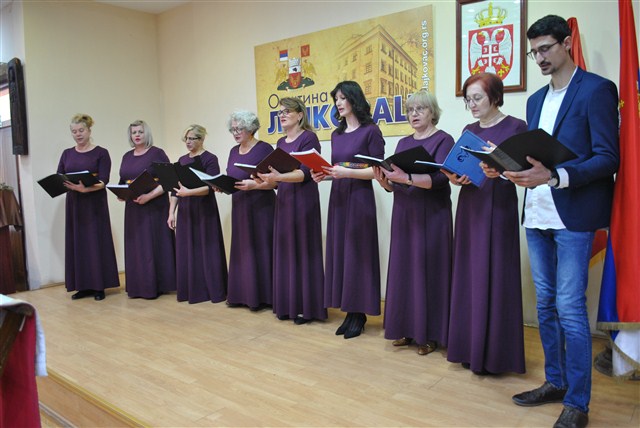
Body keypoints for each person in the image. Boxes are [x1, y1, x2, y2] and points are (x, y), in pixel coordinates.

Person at [506, 16, 619, 428]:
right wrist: (507, 168)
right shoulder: (535, 100)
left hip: (574, 214)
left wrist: (557, 177)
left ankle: (577, 403)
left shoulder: (597, 90)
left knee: (570, 308)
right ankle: (555, 382)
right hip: (536, 212)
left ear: (567, 43)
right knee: (546, 304)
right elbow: (536, 157)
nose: (539, 58)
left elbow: (608, 157)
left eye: (545, 49)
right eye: (533, 51)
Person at [444, 73, 527, 375]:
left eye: (477, 98)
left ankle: (495, 355)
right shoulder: (469, 130)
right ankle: (469, 347)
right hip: (471, 205)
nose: (472, 105)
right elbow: (458, 167)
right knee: (469, 274)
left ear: (495, 96)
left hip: (499, 206)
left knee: (497, 274)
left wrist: (500, 167)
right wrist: (455, 177)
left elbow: (525, 172)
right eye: (468, 100)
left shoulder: (516, 126)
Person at [373, 90, 453, 355]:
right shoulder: (403, 143)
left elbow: (441, 179)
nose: (414, 114)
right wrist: (385, 182)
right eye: (410, 110)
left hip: (432, 215)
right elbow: (396, 183)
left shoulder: (444, 140)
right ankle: (407, 329)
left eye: (420, 109)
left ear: (432, 112)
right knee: (405, 271)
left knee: (430, 272)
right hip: (405, 213)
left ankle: (430, 335)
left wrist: (406, 178)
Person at [312, 80, 385, 339]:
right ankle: (349, 311)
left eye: (342, 98)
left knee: (358, 253)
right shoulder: (337, 134)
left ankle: (360, 313)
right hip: (339, 198)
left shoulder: (370, 131)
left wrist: (345, 172)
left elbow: (378, 171)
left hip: (360, 199)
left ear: (354, 99)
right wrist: (325, 176)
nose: (339, 103)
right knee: (341, 253)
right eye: (336, 99)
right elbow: (338, 168)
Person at [258, 97, 326, 324]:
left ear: (300, 115)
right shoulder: (280, 142)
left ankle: (307, 308)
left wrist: (278, 177)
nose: (282, 115)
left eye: (287, 111)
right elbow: (278, 178)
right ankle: (288, 305)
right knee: (286, 252)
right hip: (285, 201)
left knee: (304, 251)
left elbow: (305, 173)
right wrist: (266, 180)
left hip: (304, 201)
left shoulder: (308, 138)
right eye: (280, 112)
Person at [57, 113, 119, 300]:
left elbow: (103, 181)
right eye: (74, 131)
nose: (78, 134)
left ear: (89, 130)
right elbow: (59, 175)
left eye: (81, 130)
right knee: (79, 242)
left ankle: (99, 286)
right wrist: (66, 184)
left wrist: (86, 189)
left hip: (94, 203)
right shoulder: (67, 153)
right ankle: (83, 286)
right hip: (75, 203)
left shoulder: (101, 152)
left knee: (95, 242)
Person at [167, 124, 228, 304]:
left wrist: (189, 192)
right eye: (186, 138)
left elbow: (211, 187)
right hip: (186, 210)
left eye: (192, 138)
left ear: (201, 139)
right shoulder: (181, 160)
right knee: (187, 248)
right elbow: (174, 189)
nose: (188, 142)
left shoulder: (210, 159)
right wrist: (171, 213)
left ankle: (212, 290)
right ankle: (190, 290)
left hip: (204, 209)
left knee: (207, 248)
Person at [118, 120, 176, 299]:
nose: (137, 135)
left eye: (140, 132)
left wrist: (149, 196)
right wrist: (121, 193)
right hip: (133, 207)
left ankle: (156, 285)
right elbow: (123, 180)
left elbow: (169, 180)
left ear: (147, 134)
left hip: (154, 207)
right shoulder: (127, 156)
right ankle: (138, 286)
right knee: (136, 246)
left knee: (152, 245)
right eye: (133, 132)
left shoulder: (157, 153)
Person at [225, 111, 276, 311]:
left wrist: (254, 185)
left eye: (239, 128)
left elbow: (274, 182)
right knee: (244, 250)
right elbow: (232, 177)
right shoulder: (233, 151)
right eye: (233, 129)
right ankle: (243, 295)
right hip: (240, 206)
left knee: (262, 247)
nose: (235, 132)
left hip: (261, 207)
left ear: (251, 128)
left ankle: (266, 297)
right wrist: (221, 186)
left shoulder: (264, 148)